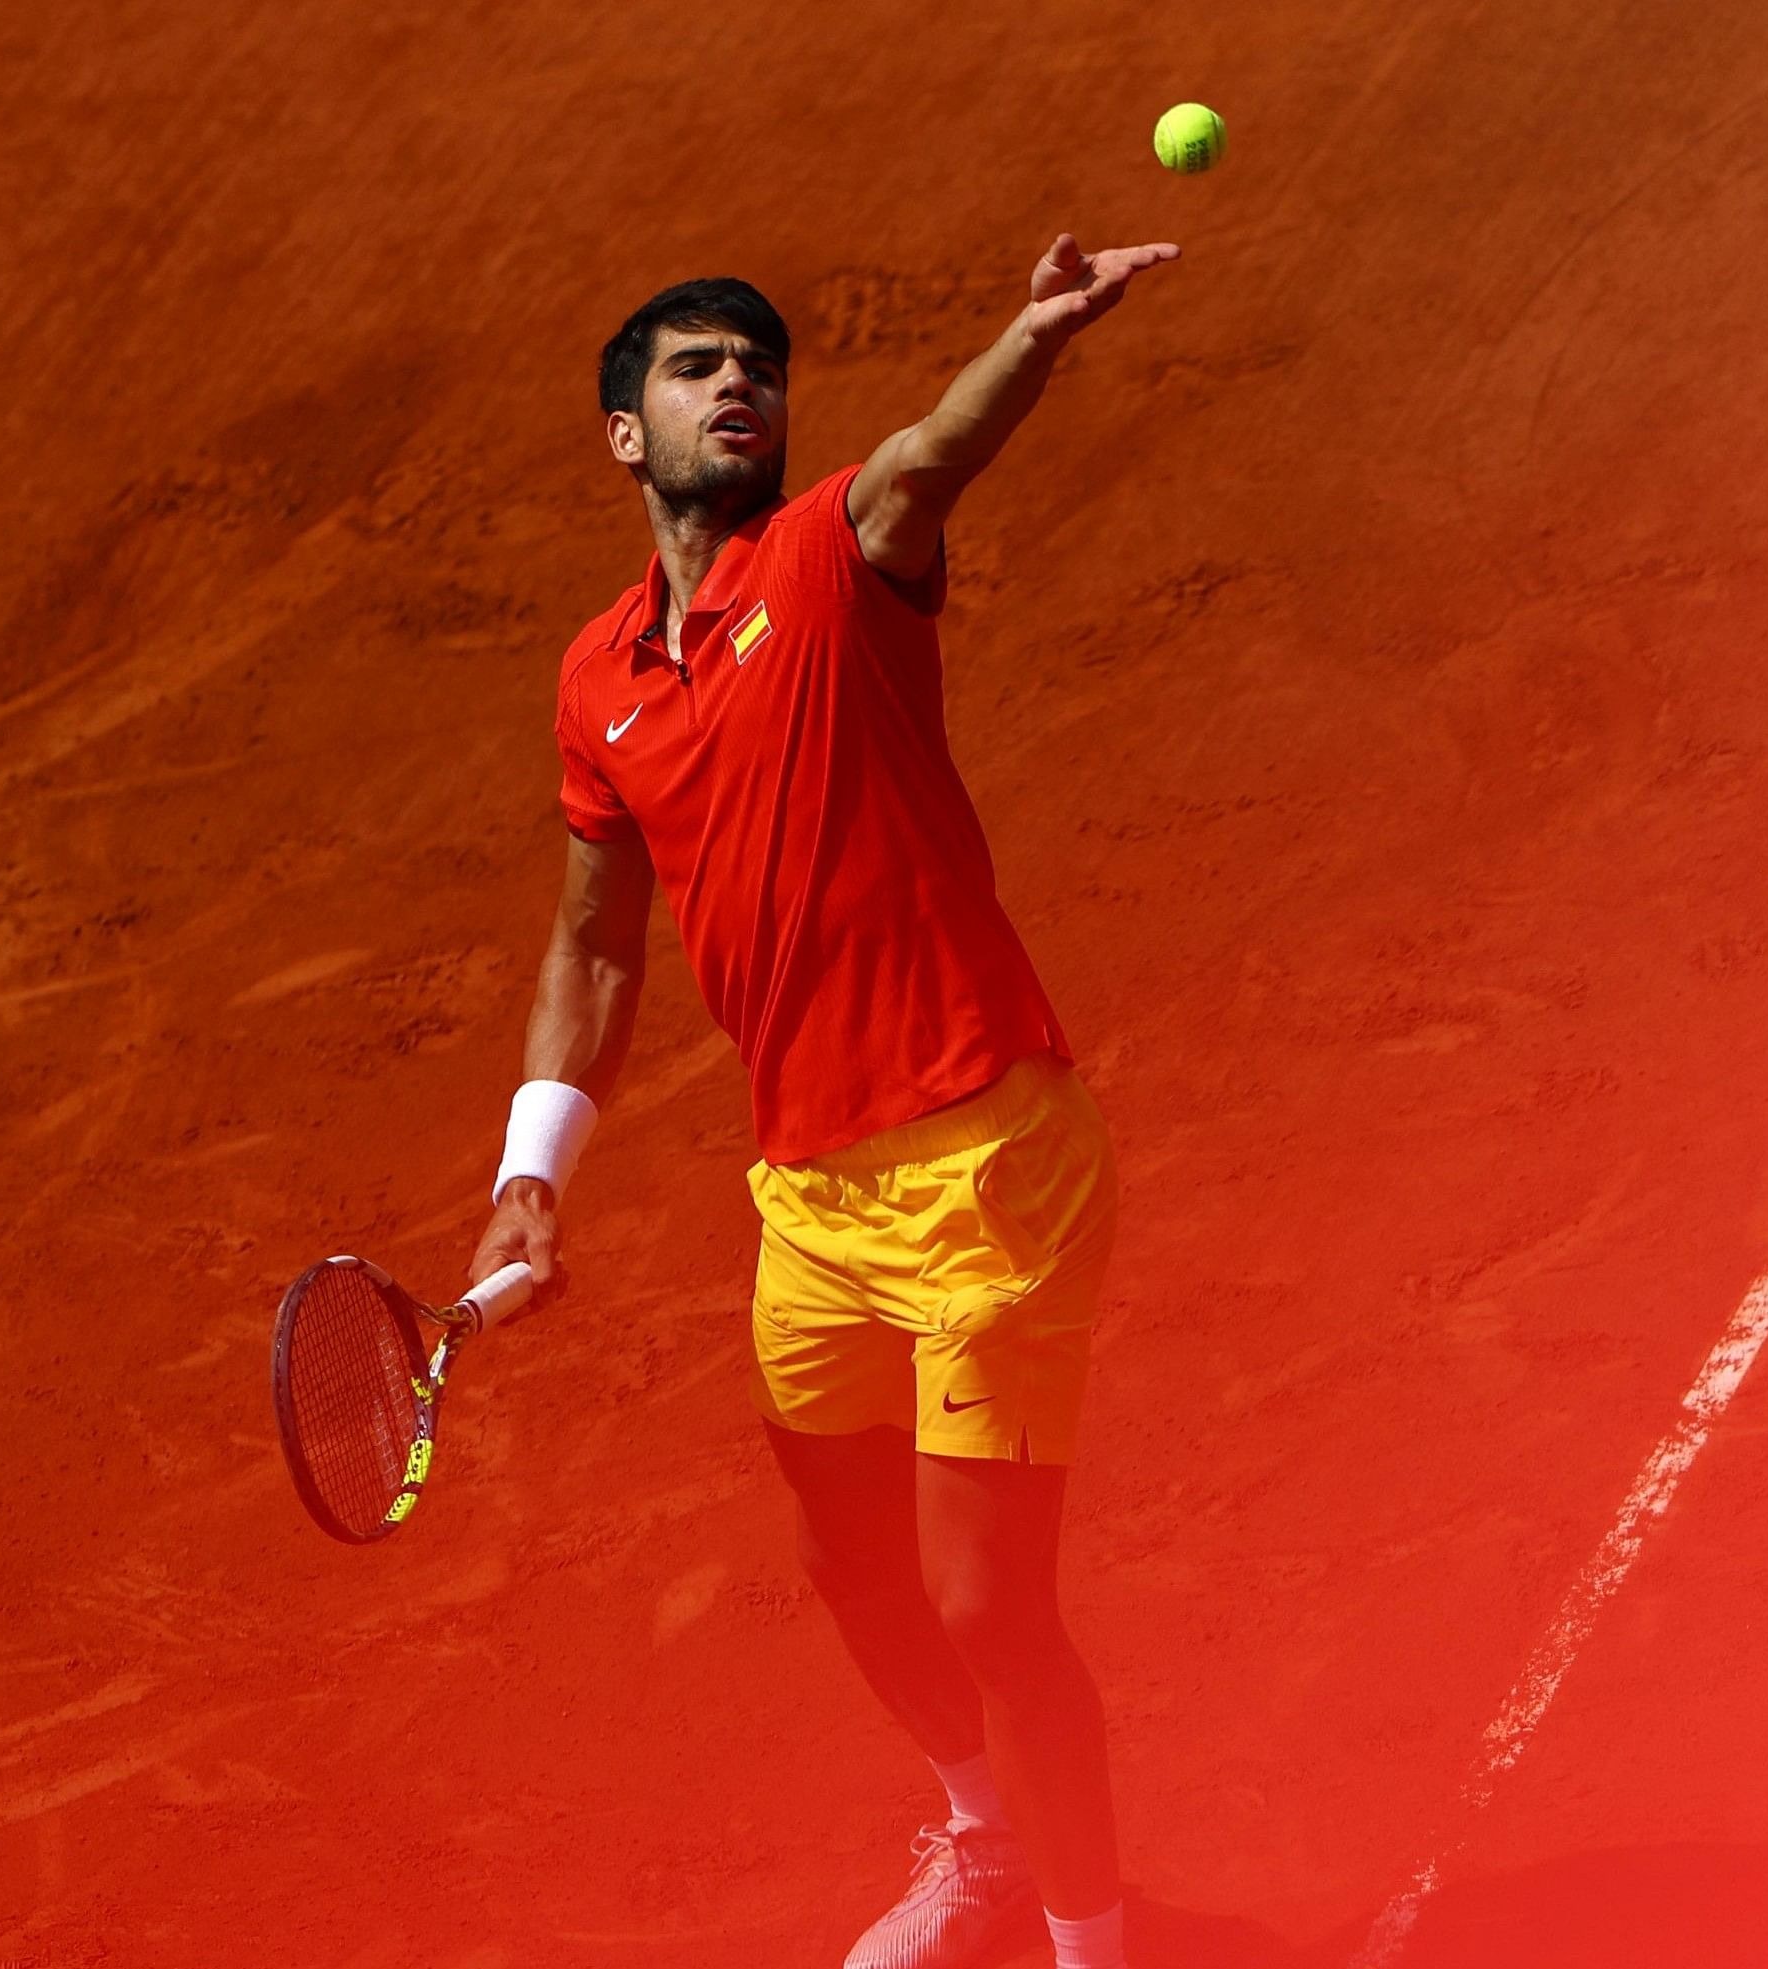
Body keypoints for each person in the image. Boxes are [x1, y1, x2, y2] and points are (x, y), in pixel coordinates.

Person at [466, 233, 1181, 1969]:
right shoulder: (598, 681)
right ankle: (989, 1848)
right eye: (699, 369)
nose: (740, 388)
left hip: (989, 1160)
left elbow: (935, 450)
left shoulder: (843, 552)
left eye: (758, 370)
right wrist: (531, 1170)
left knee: (986, 1603)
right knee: (854, 1564)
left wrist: (1031, 332)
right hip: (812, 1196)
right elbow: (597, 946)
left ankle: (1098, 1949)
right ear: (626, 434)